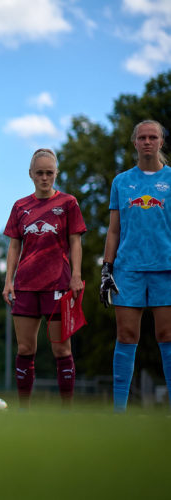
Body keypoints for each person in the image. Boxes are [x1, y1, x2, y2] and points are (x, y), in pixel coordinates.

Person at [2, 148, 86, 409]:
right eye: (39, 173)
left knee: (62, 350)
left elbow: (75, 242)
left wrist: (76, 276)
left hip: (58, 285)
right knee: (25, 349)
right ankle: (24, 409)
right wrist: (8, 281)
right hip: (25, 286)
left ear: (56, 173)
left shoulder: (68, 203)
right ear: (30, 174)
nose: (44, 177)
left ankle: (66, 411)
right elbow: (14, 246)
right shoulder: (20, 206)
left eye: (49, 173)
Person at [101, 119, 171, 412]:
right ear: (134, 143)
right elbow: (114, 229)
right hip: (127, 269)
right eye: (142, 137)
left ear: (161, 142)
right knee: (127, 336)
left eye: (152, 137)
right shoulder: (122, 181)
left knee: (166, 336)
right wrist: (107, 267)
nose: (147, 141)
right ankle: (119, 413)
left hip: (165, 268)